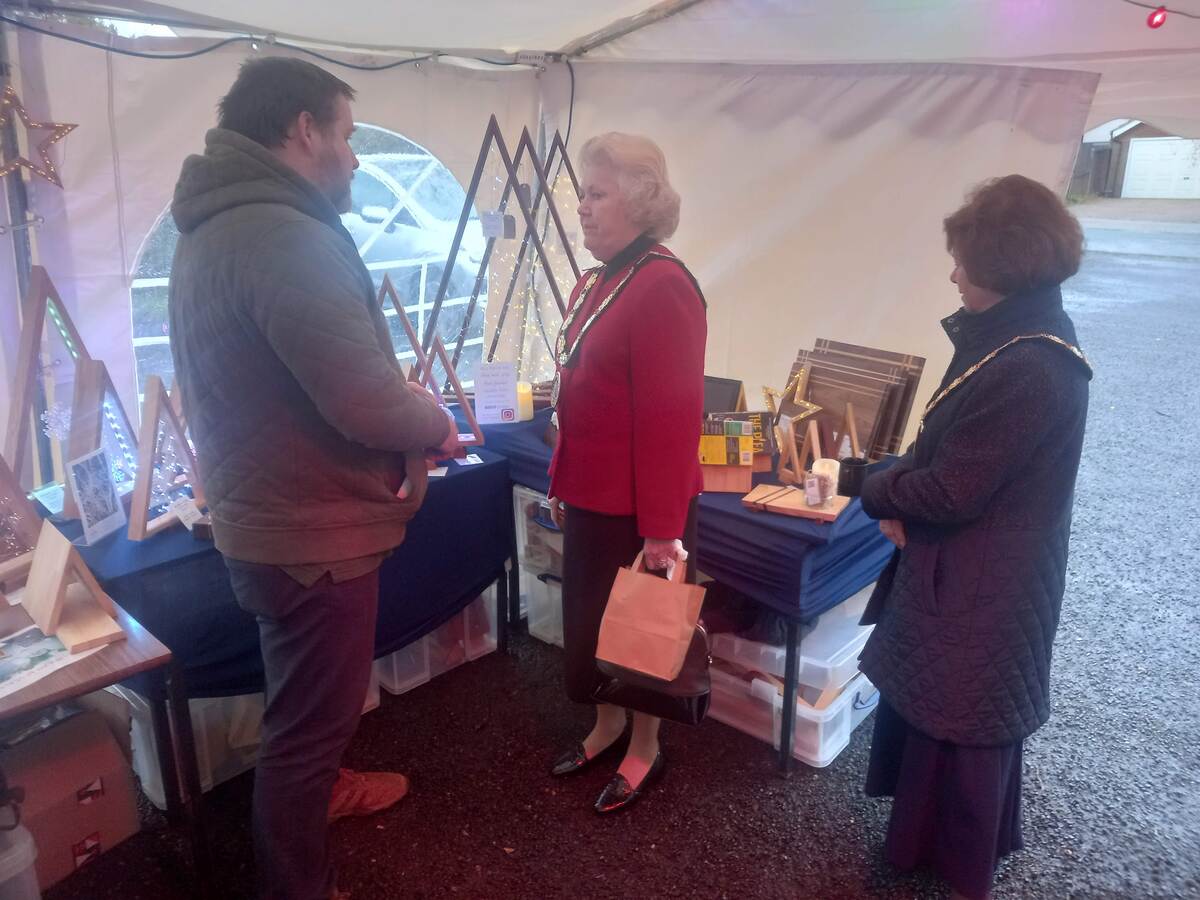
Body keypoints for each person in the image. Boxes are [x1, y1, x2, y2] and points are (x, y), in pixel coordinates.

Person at [168, 57, 457, 900]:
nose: (357, 159)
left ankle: (325, 791)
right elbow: (365, 403)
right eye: (347, 135)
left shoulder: (214, 224)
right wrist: (433, 422)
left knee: (302, 705)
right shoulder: (283, 234)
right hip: (310, 532)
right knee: (305, 728)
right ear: (304, 130)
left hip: (269, 517)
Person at [857, 174, 1092, 900]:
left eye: (963, 258)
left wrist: (873, 486)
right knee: (946, 714)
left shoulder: (1030, 364)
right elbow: (951, 459)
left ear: (1002, 263)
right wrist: (897, 480)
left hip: (989, 578)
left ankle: (957, 867)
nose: (952, 271)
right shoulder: (1013, 334)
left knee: (964, 722)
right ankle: (925, 848)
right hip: (986, 565)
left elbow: (954, 489)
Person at [546, 133, 706, 814]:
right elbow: (577, 388)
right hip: (591, 494)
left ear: (639, 202)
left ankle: (645, 747)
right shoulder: (599, 279)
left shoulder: (665, 285)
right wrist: (560, 479)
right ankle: (606, 726)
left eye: (597, 193)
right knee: (591, 625)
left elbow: (672, 423)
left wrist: (664, 532)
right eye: (582, 192)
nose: (581, 207)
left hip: (644, 510)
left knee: (643, 629)